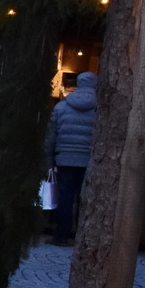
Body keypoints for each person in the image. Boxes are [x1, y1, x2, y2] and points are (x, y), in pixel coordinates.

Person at [45, 72, 97, 245]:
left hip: (65, 158)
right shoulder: (102, 108)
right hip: (89, 160)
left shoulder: (61, 107)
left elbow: (50, 136)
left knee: (65, 197)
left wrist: (49, 157)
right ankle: (83, 237)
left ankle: (61, 235)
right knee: (87, 199)